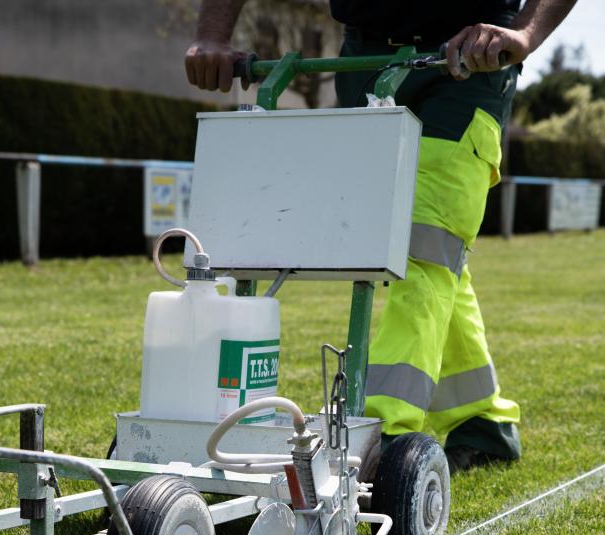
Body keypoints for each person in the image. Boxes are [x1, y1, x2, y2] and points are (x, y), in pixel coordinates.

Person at [185, 0, 578, 471]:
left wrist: (524, 33)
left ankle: (378, 435)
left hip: (468, 64)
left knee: (425, 246)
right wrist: (212, 36)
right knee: (429, 251)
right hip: (362, 63)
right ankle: (483, 421)